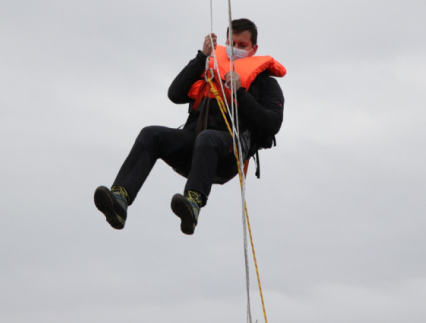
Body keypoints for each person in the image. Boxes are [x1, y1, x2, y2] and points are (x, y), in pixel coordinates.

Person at [94, 18, 285, 235]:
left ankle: (192, 204)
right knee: (151, 134)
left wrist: (240, 92)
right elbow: (174, 94)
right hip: (194, 149)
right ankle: (120, 198)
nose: (236, 49)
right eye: (232, 43)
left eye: (243, 46)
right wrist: (201, 57)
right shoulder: (209, 68)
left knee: (208, 138)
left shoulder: (266, 84)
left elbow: (273, 123)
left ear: (254, 49)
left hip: (228, 154)